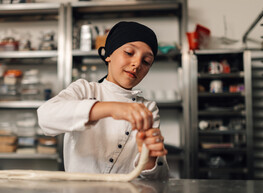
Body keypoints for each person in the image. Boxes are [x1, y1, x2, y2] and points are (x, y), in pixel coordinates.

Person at [37, 21, 169, 180]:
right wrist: (113, 108)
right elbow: (45, 116)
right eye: (129, 52)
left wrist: (148, 157)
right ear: (109, 55)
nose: (137, 64)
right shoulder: (85, 90)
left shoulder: (148, 108)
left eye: (146, 61)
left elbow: (160, 179)